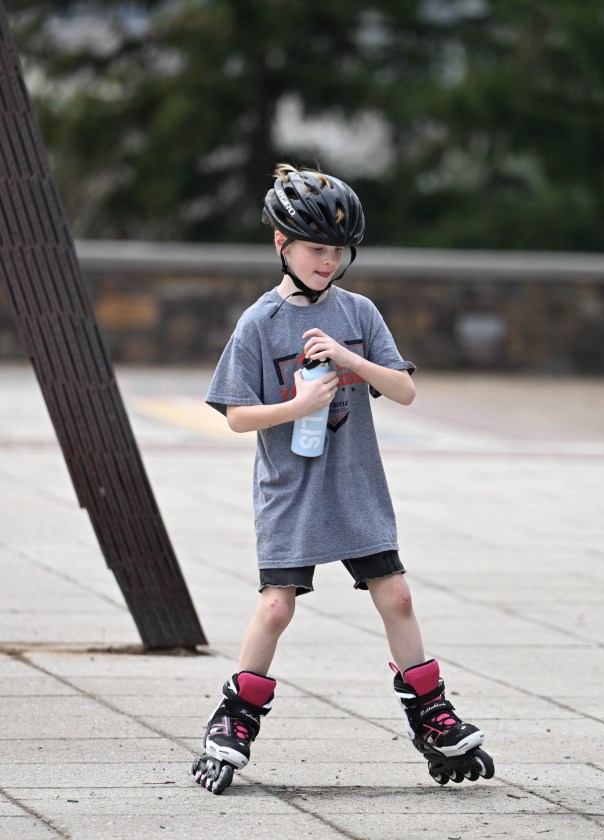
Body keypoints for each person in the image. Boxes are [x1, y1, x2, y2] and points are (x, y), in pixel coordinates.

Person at [191, 164, 494, 794]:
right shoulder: (258, 323)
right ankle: (234, 718)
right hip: (290, 491)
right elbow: (236, 415)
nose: (328, 261)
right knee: (275, 607)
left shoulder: (358, 312)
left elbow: (404, 390)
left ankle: (431, 713)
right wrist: (296, 409)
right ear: (282, 244)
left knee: (398, 597)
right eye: (315, 249)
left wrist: (352, 356)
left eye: (337, 251)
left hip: (356, 484)